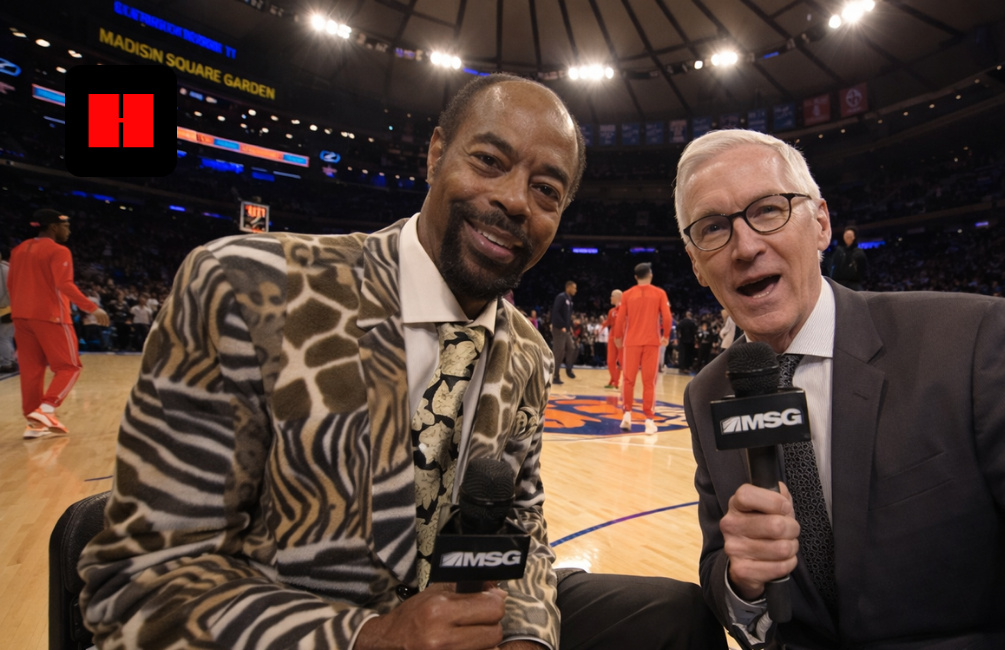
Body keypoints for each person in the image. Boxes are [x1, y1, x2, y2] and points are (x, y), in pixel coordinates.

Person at [79, 74, 723, 650]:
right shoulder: (247, 287)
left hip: (463, 613)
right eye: (489, 161)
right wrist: (370, 636)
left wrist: (526, 636)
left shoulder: (526, 351)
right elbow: (138, 588)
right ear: (436, 154)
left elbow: (521, 530)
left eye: (546, 190)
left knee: (674, 615)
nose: (516, 200)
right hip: (299, 625)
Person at [674, 129, 1005, 649]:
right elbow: (722, 570)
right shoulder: (708, 395)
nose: (744, 246)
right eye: (713, 228)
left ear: (821, 223)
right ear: (696, 262)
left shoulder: (971, 343)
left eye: (768, 209)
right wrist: (743, 581)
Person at [8, 209, 109, 439]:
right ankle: (47, 409)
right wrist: (92, 307)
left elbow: (11, 285)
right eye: (66, 226)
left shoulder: (18, 250)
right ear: (54, 226)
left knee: (31, 371)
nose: (69, 230)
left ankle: (35, 424)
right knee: (69, 367)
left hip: (21, 316)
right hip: (51, 316)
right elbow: (65, 284)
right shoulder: (59, 250)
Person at [613, 262, 671, 434]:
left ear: (635, 277)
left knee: (628, 380)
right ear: (650, 275)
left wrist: (617, 337)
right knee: (649, 382)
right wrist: (665, 336)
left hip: (631, 342)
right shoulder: (660, 293)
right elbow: (667, 318)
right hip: (652, 342)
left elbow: (620, 318)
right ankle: (649, 420)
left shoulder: (627, 294)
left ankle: (627, 416)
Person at [824, 225, 867, 290]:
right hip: (837, 283)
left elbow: (863, 270)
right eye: (846, 234)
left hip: (853, 283)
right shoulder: (839, 250)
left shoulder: (859, 252)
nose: (847, 236)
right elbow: (832, 265)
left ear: (854, 237)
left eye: (850, 235)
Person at [551, 280, 577, 384]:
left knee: (572, 348)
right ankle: (555, 376)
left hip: (565, 330)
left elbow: (568, 316)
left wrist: (569, 326)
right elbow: (555, 312)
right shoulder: (561, 297)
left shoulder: (569, 299)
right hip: (558, 329)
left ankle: (569, 369)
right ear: (568, 287)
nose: (575, 290)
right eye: (574, 288)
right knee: (559, 353)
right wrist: (561, 325)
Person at [602, 289, 622, 389]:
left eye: (612, 296)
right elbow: (608, 322)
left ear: (618, 297)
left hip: (621, 338)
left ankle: (616, 382)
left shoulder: (625, 309)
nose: (610, 298)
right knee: (610, 361)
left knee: (622, 362)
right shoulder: (611, 311)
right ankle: (614, 380)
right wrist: (602, 326)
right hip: (612, 337)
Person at [0, 251, 14, 373]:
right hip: (14, 307)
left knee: (3, 338)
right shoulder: (8, 268)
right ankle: (11, 360)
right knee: (7, 337)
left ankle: (7, 363)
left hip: (3, 309)